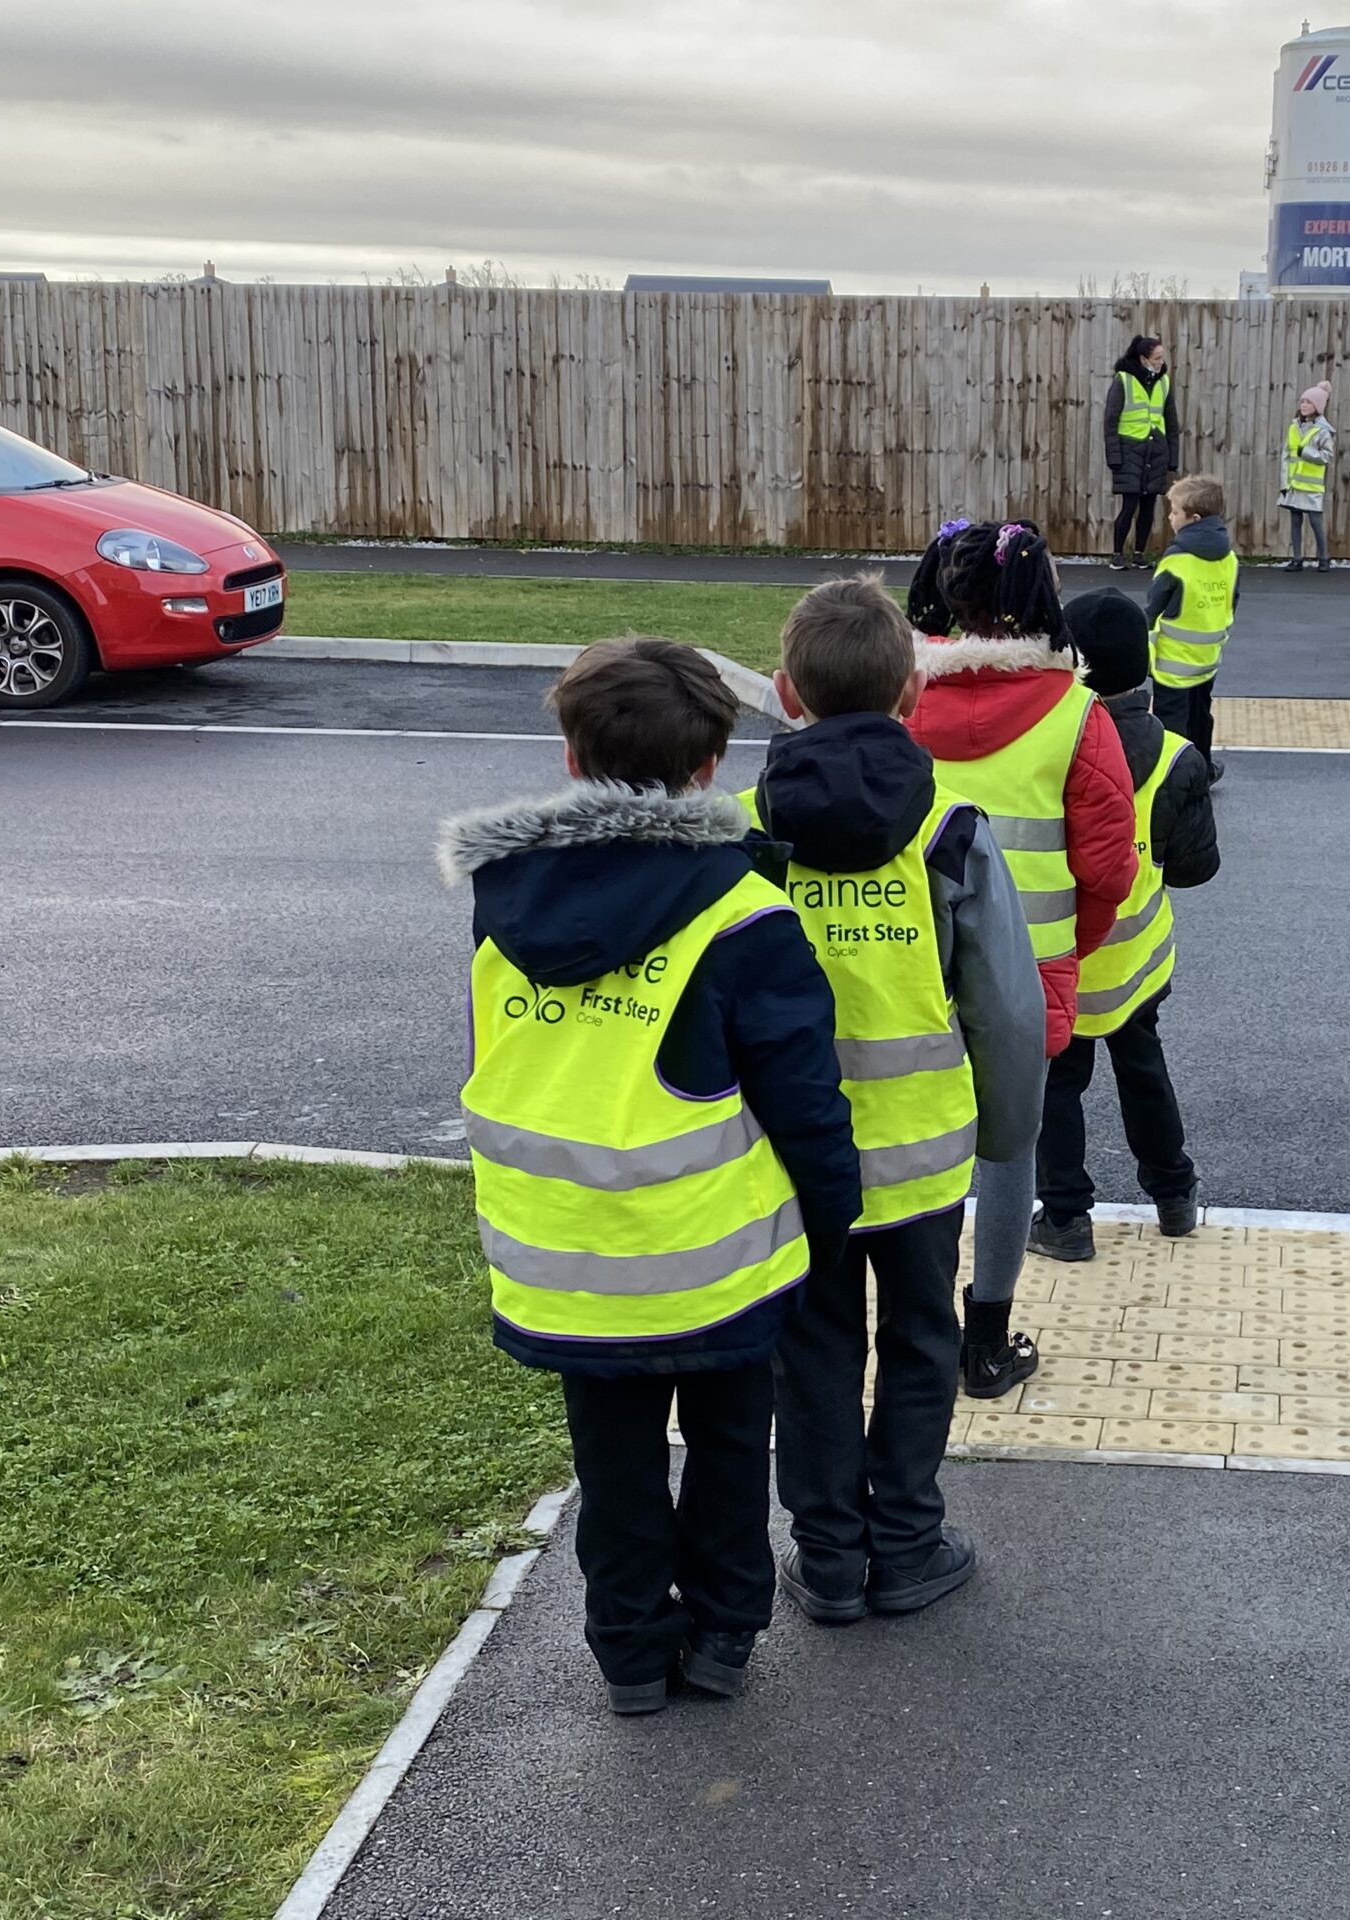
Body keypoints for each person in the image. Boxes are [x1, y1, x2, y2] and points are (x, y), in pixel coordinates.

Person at [436, 637, 862, 1714]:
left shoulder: (503, 903)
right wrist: (831, 1218)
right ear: (712, 764)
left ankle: (628, 1658)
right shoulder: (745, 911)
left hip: (564, 1258)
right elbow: (805, 1102)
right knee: (728, 1447)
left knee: (615, 1466)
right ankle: (722, 1636)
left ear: (571, 758)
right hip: (711, 1256)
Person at [744, 576, 1048, 1624]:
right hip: (923, 1158)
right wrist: (1007, 1134)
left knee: (815, 1353)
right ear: (914, 694)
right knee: (921, 1341)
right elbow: (1005, 1010)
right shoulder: (951, 829)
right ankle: (906, 1540)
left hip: (793, 1159)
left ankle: (826, 1558)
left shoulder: (744, 830)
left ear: (786, 693)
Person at [907, 519, 1138, 1391]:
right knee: (1009, 1149)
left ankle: (917, 1322)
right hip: (1030, 969)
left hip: (910, 968)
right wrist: (1066, 951)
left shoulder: (903, 705)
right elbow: (1108, 864)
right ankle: (988, 1338)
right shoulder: (1078, 716)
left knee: (916, 1138)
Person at [1028, 589, 1221, 1261]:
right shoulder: (1178, 758)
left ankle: (1065, 1219)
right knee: (1143, 1068)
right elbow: (1196, 870)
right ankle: (1174, 1195)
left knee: (1059, 1086)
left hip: (1066, 958)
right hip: (1137, 963)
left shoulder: (1050, 755)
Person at [1145, 474, 1239, 773]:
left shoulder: (1176, 560)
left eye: (1174, 512)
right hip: (1208, 658)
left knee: (1170, 720)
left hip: (1173, 661)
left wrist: (1143, 654)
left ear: (1193, 519)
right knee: (1200, 714)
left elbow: (1152, 610)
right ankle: (1203, 768)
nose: (1170, 518)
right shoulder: (1230, 559)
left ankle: (1172, 774)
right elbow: (1232, 601)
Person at [1103, 335, 1179, 569]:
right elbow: (1110, 420)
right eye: (1156, 358)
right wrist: (1114, 456)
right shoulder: (1123, 380)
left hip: (1156, 450)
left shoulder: (1163, 382)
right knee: (1130, 504)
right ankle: (1117, 554)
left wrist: (1172, 458)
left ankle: (1139, 554)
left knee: (1149, 505)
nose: (1160, 363)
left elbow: (1172, 423)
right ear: (1143, 358)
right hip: (1130, 451)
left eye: (1162, 358)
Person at [1280, 381, 1336, 572]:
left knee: (1315, 522)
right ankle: (1297, 559)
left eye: (1309, 402)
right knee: (1295, 521)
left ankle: (1324, 558)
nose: (1303, 405)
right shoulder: (1293, 427)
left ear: (1318, 407)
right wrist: (1284, 482)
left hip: (1312, 487)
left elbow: (1327, 457)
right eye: (1302, 401)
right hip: (1294, 484)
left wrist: (1307, 452)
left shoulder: (1323, 431)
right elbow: (1286, 456)